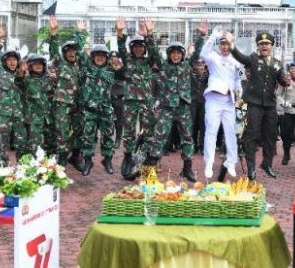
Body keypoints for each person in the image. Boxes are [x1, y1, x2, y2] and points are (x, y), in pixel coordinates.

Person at [228, 31, 288, 180]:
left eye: (267, 44)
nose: (264, 46)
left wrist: (286, 80)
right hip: (254, 103)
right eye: (261, 44)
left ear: (272, 46)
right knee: (252, 135)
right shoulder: (253, 59)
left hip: (269, 104)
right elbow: (240, 57)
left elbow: (281, 81)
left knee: (271, 136)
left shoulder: (277, 63)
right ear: (258, 46)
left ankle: (267, 164)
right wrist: (231, 45)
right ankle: (251, 167)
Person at [146, 33, 204, 182]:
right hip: (166, 108)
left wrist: (201, 35)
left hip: (183, 108)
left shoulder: (187, 65)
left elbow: (197, 52)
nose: (176, 55)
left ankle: (187, 168)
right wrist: (149, 36)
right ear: (169, 54)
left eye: (179, 53)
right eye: (173, 53)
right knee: (159, 137)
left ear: (182, 55)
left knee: (187, 138)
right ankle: (151, 167)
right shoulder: (163, 66)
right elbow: (154, 53)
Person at [115, 17, 162, 179]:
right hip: (129, 102)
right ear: (132, 48)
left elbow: (156, 53)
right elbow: (121, 47)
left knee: (149, 131)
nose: (138, 50)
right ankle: (128, 156)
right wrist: (120, 32)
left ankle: (146, 157)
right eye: (135, 47)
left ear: (144, 48)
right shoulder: (127, 60)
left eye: (140, 47)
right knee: (128, 132)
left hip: (146, 101)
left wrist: (149, 34)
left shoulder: (149, 61)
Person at [198, 26, 243, 179]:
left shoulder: (235, 61)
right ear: (219, 44)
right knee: (211, 131)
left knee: (231, 132)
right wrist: (213, 36)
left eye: (228, 43)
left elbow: (237, 80)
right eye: (222, 43)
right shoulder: (213, 57)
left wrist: (239, 92)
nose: (225, 46)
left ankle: (231, 162)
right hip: (214, 99)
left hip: (229, 101)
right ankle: (209, 162)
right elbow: (203, 53)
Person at [79, 42, 123, 176]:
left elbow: (122, 66)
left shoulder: (111, 70)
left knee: (108, 137)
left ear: (107, 58)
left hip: (106, 110)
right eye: (97, 55)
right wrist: (81, 35)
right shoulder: (87, 69)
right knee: (88, 137)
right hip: (90, 110)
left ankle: (107, 160)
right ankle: (87, 162)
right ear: (92, 57)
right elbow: (80, 54)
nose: (100, 58)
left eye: (103, 56)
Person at [48, 15, 84, 169]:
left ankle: (75, 157)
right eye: (68, 51)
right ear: (64, 53)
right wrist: (54, 33)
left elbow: (82, 49)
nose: (71, 53)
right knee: (62, 132)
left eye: (73, 51)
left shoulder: (79, 65)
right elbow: (53, 49)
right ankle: (62, 159)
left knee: (79, 130)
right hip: (62, 103)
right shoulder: (60, 63)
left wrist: (80, 34)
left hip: (77, 104)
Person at [0, 25, 26, 166]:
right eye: (9, 60)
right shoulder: (0, 73)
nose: (12, 62)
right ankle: (1, 168)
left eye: (14, 60)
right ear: (5, 62)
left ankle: (23, 169)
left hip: (18, 115)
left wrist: (22, 75)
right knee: (0, 142)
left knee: (21, 143)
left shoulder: (22, 75)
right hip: (2, 114)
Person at [17, 54, 54, 158]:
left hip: (48, 117)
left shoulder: (49, 79)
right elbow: (18, 82)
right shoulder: (26, 80)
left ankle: (50, 167)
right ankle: (34, 166)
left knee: (51, 144)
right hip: (34, 118)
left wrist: (55, 80)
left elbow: (54, 94)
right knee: (34, 145)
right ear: (30, 66)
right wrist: (21, 72)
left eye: (40, 64)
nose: (38, 66)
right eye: (35, 64)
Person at [191, 58, 209, 155]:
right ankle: (193, 146)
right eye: (198, 65)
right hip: (193, 103)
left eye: (201, 65)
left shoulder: (208, 76)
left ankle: (202, 146)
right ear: (195, 66)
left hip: (204, 103)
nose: (199, 67)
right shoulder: (191, 76)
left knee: (203, 125)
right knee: (193, 125)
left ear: (204, 67)